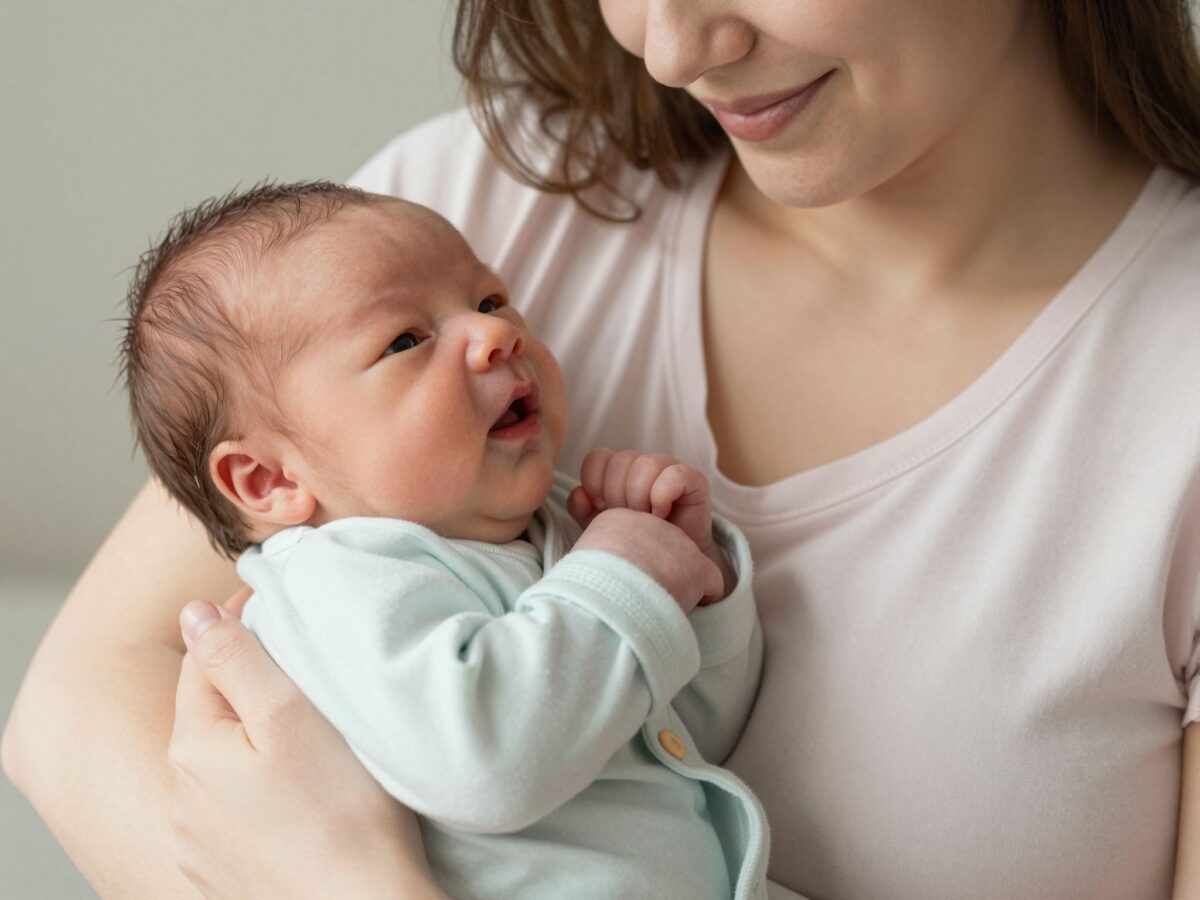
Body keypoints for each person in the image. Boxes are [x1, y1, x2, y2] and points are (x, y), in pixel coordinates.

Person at [4, 0, 1200, 897]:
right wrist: (629, 576)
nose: (669, 47)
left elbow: (672, 721)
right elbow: (77, 709)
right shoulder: (452, 212)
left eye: (489, 303)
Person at [120, 181, 768, 899]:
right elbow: (484, 766)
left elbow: (696, 738)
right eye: (406, 340)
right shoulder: (333, 583)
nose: (496, 335)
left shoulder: (558, 527)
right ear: (270, 479)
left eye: (489, 301)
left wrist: (688, 579)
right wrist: (624, 575)